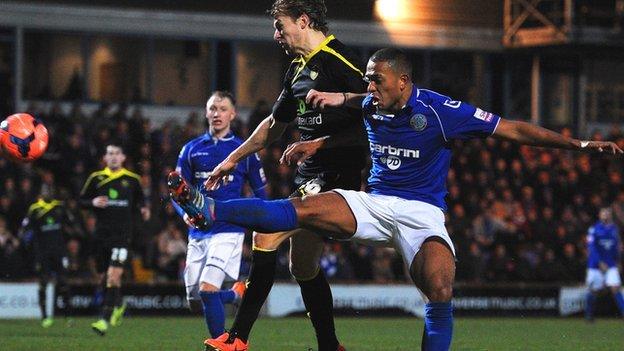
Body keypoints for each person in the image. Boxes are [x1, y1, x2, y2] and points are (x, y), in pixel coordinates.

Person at [169, 47, 623, 350]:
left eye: (378, 81)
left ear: (403, 81)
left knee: (440, 286)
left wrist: (579, 145)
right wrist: (316, 144)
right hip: (375, 202)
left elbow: (513, 129)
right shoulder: (371, 102)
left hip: (422, 213)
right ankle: (209, 208)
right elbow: (352, 101)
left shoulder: (439, 110)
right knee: (303, 208)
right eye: (367, 81)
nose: (371, 88)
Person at [195, 1, 367, 350]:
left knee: (266, 234)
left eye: (280, 26)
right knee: (303, 267)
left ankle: (237, 339)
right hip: (309, 178)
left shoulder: (342, 60)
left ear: (303, 21)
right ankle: (330, 346)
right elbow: (274, 125)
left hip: (336, 178)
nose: (276, 34)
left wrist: (320, 144)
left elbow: (376, 118)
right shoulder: (296, 69)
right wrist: (232, 159)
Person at [170, 91, 267, 341]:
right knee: (194, 299)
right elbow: (176, 191)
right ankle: (235, 295)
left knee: (207, 289)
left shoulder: (244, 150)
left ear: (232, 114)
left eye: (223, 109)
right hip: (198, 231)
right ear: (206, 112)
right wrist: (184, 214)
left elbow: (261, 191)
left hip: (229, 229)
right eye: (212, 108)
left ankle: (224, 344)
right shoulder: (191, 149)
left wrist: (264, 225)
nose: (217, 113)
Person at [80, 142, 150, 335]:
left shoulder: (132, 179)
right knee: (104, 277)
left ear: (123, 157)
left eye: (116, 153)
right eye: (109, 153)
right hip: (102, 236)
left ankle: (103, 319)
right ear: (105, 157)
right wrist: (92, 202)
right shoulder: (96, 178)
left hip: (123, 236)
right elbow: (81, 201)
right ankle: (118, 304)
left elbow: (141, 200)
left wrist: (144, 209)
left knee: (113, 275)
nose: (113, 156)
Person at [21, 185, 79, 328]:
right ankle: (45, 317)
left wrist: (72, 236)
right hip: (43, 252)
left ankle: (68, 316)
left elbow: (71, 224)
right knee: (44, 282)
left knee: (64, 282)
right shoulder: (35, 209)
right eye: (45, 191)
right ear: (40, 194)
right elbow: (25, 229)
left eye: (50, 191)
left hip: (59, 251)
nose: (47, 193)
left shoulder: (60, 207)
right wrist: (28, 243)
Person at [584, 207, 624, 321]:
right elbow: (591, 247)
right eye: (603, 213)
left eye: (607, 213)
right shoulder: (594, 229)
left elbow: (617, 247)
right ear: (599, 215)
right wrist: (599, 262)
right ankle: (589, 315)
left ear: (610, 215)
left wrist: (618, 261)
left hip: (611, 264)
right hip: (595, 266)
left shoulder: (614, 229)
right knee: (593, 290)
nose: (605, 215)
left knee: (615, 288)